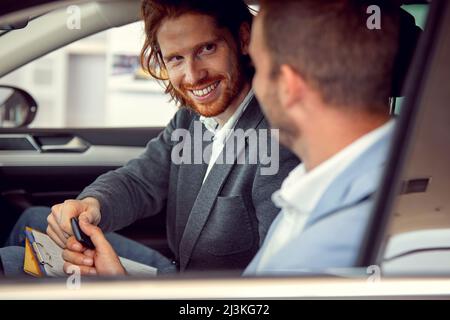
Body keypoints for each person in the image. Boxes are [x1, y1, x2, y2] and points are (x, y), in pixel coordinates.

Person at [0, 0, 299, 277]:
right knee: (37, 220)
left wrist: (127, 288)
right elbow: (139, 181)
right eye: (176, 59)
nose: (193, 76)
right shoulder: (189, 121)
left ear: (243, 39)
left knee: (13, 263)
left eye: (207, 48)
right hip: (177, 273)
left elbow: (270, 284)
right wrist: (92, 205)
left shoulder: (277, 142)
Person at [244, 0, 403, 275]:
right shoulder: (318, 185)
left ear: (288, 86)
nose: (254, 85)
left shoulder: (314, 261)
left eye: (256, 68)